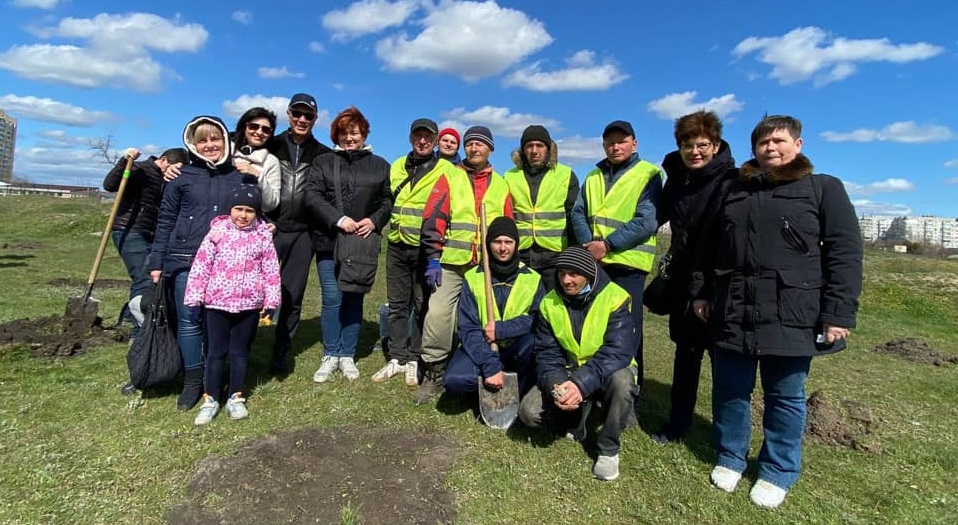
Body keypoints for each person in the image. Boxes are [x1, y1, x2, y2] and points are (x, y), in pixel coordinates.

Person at [690, 115, 862, 508]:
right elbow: (708, 246)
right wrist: (701, 293)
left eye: (779, 140)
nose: (770, 147)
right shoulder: (734, 189)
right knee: (730, 389)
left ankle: (778, 469)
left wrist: (838, 313)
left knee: (784, 394)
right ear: (753, 148)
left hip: (792, 309)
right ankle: (731, 455)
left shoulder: (822, 189)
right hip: (734, 305)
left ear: (797, 145)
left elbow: (845, 253)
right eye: (763, 141)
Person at [147, 116, 254, 411]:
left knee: (215, 324)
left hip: (226, 264)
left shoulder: (239, 176)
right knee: (189, 321)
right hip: (185, 259)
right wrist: (157, 261)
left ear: (225, 141)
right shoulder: (180, 177)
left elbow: (252, 213)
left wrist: (266, 224)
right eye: (203, 140)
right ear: (192, 144)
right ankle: (192, 379)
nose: (210, 145)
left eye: (215, 139)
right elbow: (165, 220)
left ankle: (213, 376)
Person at [651, 111, 737, 444]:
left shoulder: (732, 181)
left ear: (715, 145)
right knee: (685, 356)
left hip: (719, 282)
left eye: (702, 144)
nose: (695, 151)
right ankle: (678, 423)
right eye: (687, 145)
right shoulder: (676, 180)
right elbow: (656, 218)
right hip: (684, 281)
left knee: (723, 361)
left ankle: (725, 434)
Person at [518, 246, 639, 481]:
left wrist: (579, 385)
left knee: (623, 381)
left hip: (609, 370)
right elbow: (546, 354)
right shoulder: (549, 303)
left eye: (573, 274)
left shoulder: (616, 297)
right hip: (570, 372)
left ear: (589, 274)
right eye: (562, 273)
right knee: (529, 413)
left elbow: (618, 352)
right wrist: (557, 384)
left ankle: (608, 449)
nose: (566, 280)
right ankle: (578, 416)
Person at [415, 125, 513, 404]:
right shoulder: (449, 176)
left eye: (480, 144)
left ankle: (481, 367)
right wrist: (433, 258)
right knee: (438, 314)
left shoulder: (502, 183)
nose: (474, 148)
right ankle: (434, 370)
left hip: (485, 266)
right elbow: (434, 218)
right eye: (469, 143)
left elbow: (507, 225)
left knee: (484, 318)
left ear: (490, 149)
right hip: (451, 263)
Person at [571, 119, 663, 385]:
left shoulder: (648, 174)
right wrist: (590, 245)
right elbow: (578, 211)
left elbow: (646, 220)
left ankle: (630, 393)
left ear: (634, 143)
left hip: (627, 266)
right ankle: (595, 386)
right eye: (610, 143)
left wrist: (607, 245)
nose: (615, 147)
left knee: (628, 330)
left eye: (621, 141)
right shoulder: (593, 175)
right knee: (594, 326)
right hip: (596, 264)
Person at [306, 106, 392, 383]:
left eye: (354, 132)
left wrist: (374, 220)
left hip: (360, 243)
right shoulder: (323, 161)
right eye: (343, 133)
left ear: (363, 133)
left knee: (354, 297)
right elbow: (312, 195)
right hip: (329, 240)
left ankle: (348, 354)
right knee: (332, 298)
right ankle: (331, 353)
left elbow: (388, 200)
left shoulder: (380, 165)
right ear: (336, 135)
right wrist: (338, 218)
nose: (349, 138)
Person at [184, 185, 281, 425]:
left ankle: (236, 396)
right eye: (238, 209)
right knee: (215, 353)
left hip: (249, 304)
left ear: (257, 213)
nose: (243, 215)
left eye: (249, 210)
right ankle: (211, 398)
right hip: (217, 303)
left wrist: (271, 301)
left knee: (239, 352)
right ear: (230, 210)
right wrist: (194, 298)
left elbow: (271, 271)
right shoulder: (216, 233)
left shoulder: (263, 236)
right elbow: (201, 267)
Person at [375, 118, 457, 386]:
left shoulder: (446, 169)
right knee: (398, 303)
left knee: (423, 304)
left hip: (425, 248)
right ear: (411, 137)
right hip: (397, 244)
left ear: (435, 142)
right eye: (418, 136)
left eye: (428, 137)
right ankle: (397, 356)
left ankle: (414, 357)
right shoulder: (398, 165)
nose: (422, 141)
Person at [104, 146, 188, 395]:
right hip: (129, 230)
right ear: (163, 160)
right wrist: (124, 161)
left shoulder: (167, 179)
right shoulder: (140, 170)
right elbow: (111, 184)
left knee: (150, 283)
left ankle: (138, 329)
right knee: (145, 280)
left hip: (153, 235)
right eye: (171, 168)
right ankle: (144, 331)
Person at [443, 216, 545, 404]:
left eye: (508, 242)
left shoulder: (533, 278)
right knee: (454, 380)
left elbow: (537, 321)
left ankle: (518, 391)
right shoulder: (473, 278)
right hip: (482, 347)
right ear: (489, 244)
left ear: (516, 244)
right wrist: (489, 365)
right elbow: (468, 328)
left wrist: (501, 329)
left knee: (536, 347)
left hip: (517, 347)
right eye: (497, 242)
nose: (503, 247)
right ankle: (490, 381)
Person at [265, 93, 332, 375]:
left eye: (308, 116)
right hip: (269, 227)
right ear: (289, 115)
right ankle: (240, 346)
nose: (302, 119)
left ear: (315, 119)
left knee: (292, 294)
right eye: (297, 114)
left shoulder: (323, 154)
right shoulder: (271, 143)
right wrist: (171, 162)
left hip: (303, 233)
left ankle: (281, 351)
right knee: (250, 290)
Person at [504, 125, 579, 292]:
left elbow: (574, 216)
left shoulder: (566, 175)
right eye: (529, 146)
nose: (534, 151)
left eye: (540, 145)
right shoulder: (509, 176)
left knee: (552, 307)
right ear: (523, 150)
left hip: (554, 255)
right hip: (521, 254)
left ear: (549, 149)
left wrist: (574, 255)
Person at [232, 107, 281, 214]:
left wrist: (258, 176)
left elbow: (271, 204)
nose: (259, 132)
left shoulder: (271, 161)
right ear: (244, 127)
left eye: (266, 130)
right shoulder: (226, 152)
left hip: (250, 222)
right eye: (253, 126)